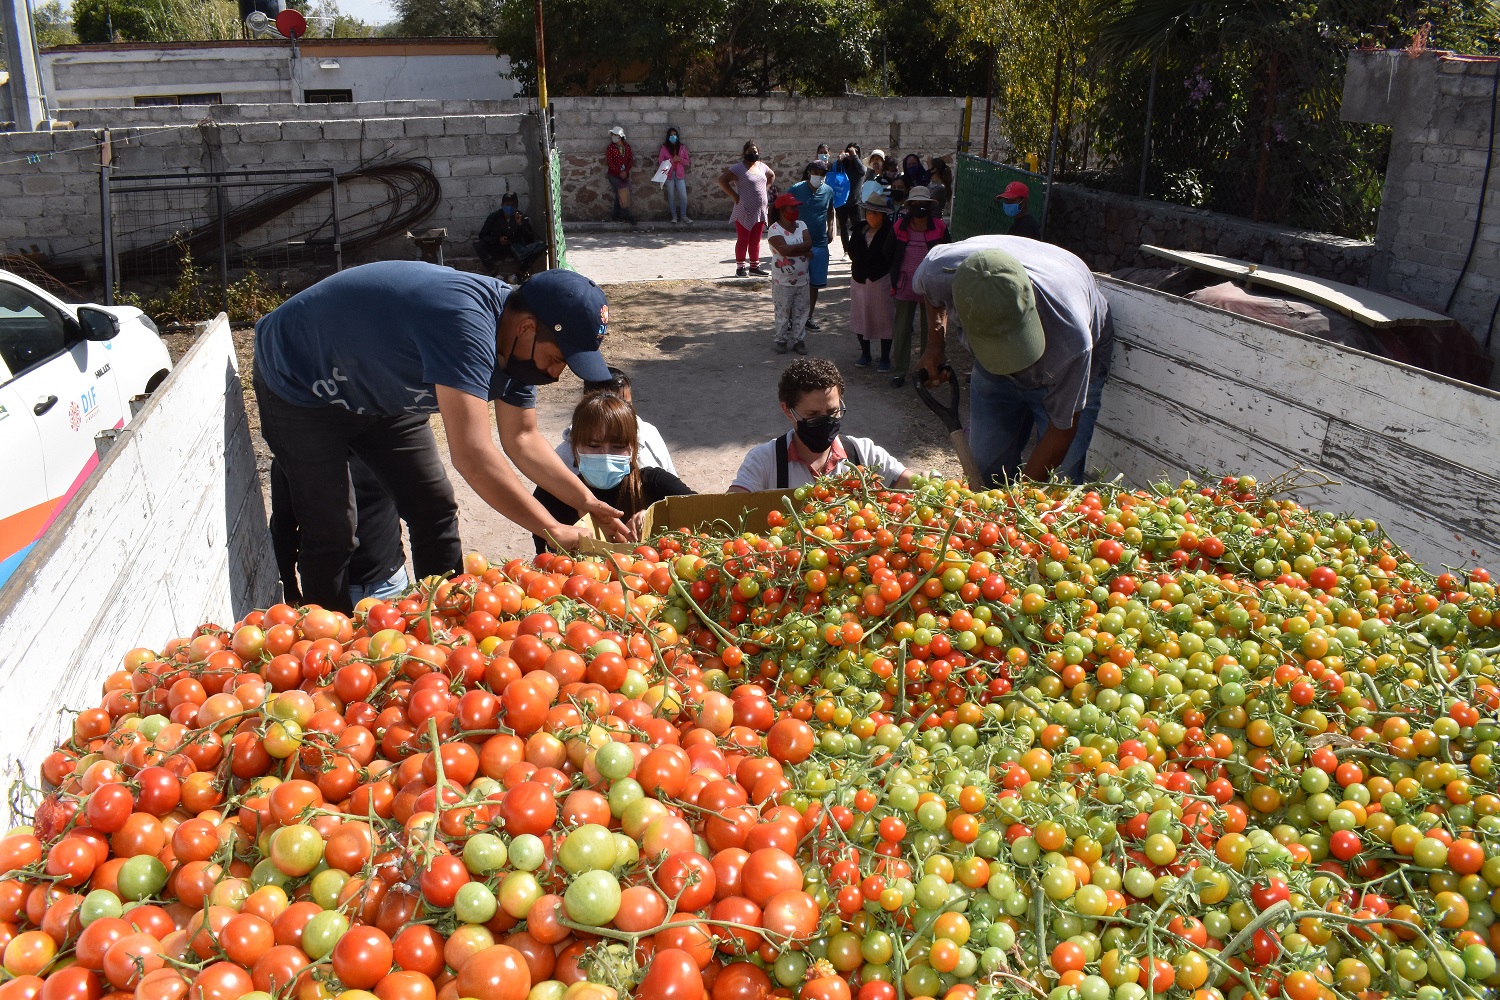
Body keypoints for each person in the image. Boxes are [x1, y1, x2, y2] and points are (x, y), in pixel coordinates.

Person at [253, 261, 627, 613]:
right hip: (301, 384)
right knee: (333, 529)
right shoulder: (464, 324)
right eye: (558, 358)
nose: (556, 373)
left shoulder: (518, 351)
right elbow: (473, 455)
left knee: (433, 508)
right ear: (527, 327)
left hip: (380, 393)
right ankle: (328, 645)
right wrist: (553, 529)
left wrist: (586, 503)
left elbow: (523, 438)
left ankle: (443, 622)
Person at [912, 237, 1113, 485]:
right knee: (986, 467)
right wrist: (935, 345)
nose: (1012, 364)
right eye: (997, 346)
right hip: (994, 374)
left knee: (1058, 482)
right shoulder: (939, 271)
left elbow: (1063, 431)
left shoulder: (1072, 341)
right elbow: (931, 296)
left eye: (1014, 344)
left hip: (1062, 362)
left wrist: (1016, 505)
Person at [534, 391, 693, 551]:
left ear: (633, 448)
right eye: (594, 446)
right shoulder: (551, 493)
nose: (606, 455)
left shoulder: (656, 482)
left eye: (618, 447)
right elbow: (545, 555)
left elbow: (705, 512)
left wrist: (656, 515)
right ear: (575, 447)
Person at [730, 358, 913, 492]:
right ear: (788, 410)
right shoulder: (764, 461)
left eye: (833, 412)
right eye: (813, 415)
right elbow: (731, 507)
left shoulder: (863, 453)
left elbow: (912, 483)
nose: (825, 421)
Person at [270, 455, 409, 607]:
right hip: (325, 592)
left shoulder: (383, 444)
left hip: (389, 585)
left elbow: (419, 507)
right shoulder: (290, 456)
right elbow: (283, 529)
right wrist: (290, 590)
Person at [557, 366, 677, 474]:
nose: (621, 414)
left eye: (627, 405)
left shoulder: (648, 433)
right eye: (594, 446)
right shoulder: (563, 457)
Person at [885, 186, 949, 387]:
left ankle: (926, 370)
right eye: (916, 204)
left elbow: (948, 253)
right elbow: (887, 252)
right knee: (902, 329)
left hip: (931, 287)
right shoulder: (899, 228)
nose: (920, 207)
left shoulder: (939, 227)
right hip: (905, 285)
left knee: (931, 330)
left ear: (928, 206)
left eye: (923, 204)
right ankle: (900, 371)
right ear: (910, 206)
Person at [847, 191, 895, 370]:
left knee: (884, 316)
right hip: (859, 278)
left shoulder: (890, 231)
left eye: (874, 213)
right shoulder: (859, 229)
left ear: (883, 215)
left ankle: (885, 358)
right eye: (868, 212)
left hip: (881, 278)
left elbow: (892, 255)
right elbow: (852, 251)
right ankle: (865, 353)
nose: (870, 216)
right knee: (861, 315)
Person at [787, 160, 836, 331]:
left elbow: (830, 211)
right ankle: (791, 319)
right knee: (795, 283)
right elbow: (784, 210)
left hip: (820, 244)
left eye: (822, 173)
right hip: (798, 244)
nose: (819, 176)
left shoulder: (828, 191)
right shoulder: (796, 189)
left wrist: (831, 229)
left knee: (814, 285)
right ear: (809, 172)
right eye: (815, 172)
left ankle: (808, 317)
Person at [719, 140, 774, 277]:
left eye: (755, 152)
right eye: (749, 152)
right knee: (744, 239)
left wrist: (766, 189)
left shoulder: (762, 166)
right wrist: (733, 195)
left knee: (756, 240)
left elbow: (772, 175)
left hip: (760, 210)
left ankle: (754, 267)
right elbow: (722, 180)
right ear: (744, 153)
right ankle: (740, 267)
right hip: (744, 209)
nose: (752, 154)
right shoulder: (738, 168)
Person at [767, 193, 812, 354]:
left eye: (795, 207)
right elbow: (782, 251)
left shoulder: (801, 225)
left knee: (801, 311)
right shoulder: (774, 230)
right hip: (782, 280)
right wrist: (803, 250)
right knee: (782, 311)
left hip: (802, 279)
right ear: (781, 210)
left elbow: (809, 243)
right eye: (791, 207)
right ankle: (781, 339)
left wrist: (792, 248)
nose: (794, 210)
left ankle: (799, 340)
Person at [474, 192, 546, 279]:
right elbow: (483, 235)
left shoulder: (521, 217)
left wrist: (520, 225)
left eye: (513, 205)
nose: (510, 207)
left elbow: (530, 240)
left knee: (541, 245)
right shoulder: (494, 217)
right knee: (477, 243)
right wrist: (497, 240)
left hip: (515, 249)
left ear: (516, 206)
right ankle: (495, 274)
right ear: (502, 205)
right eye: (507, 205)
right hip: (498, 248)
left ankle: (518, 275)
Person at [834, 143, 865, 253]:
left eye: (854, 151)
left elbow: (863, 170)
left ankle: (857, 249)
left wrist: (855, 156)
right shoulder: (843, 167)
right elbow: (834, 173)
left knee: (857, 228)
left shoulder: (859, 169)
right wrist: (839, 160)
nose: (851, 154)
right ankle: (846, 251)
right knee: (843, 227)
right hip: (842, 202)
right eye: (850, 152)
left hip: (855, 202)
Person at [658, 127, 692, 224]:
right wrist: (672, 160)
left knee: (683, 196)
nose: (673, 136)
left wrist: (680, 159)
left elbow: (687, 162)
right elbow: (661, 162)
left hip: (679, 175)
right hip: (669, 175)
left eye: (675, 135)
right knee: (671, 196)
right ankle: (674, 217)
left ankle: (683, 215)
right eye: (671, 135)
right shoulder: (664, 148)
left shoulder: (682, 148)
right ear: (668, 137)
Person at [605, 126, 635, 224]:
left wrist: (626, 171)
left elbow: (630, 160)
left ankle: (615, 216)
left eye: (616, 135)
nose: (614, 137)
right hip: (614, 175)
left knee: (620, 195)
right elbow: (610, 162)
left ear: (620, 136)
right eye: (613, 135)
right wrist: (619, 172)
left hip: (625, 175)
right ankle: (629, 216)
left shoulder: (627, 147)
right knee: (621, 193)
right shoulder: (610, 148)